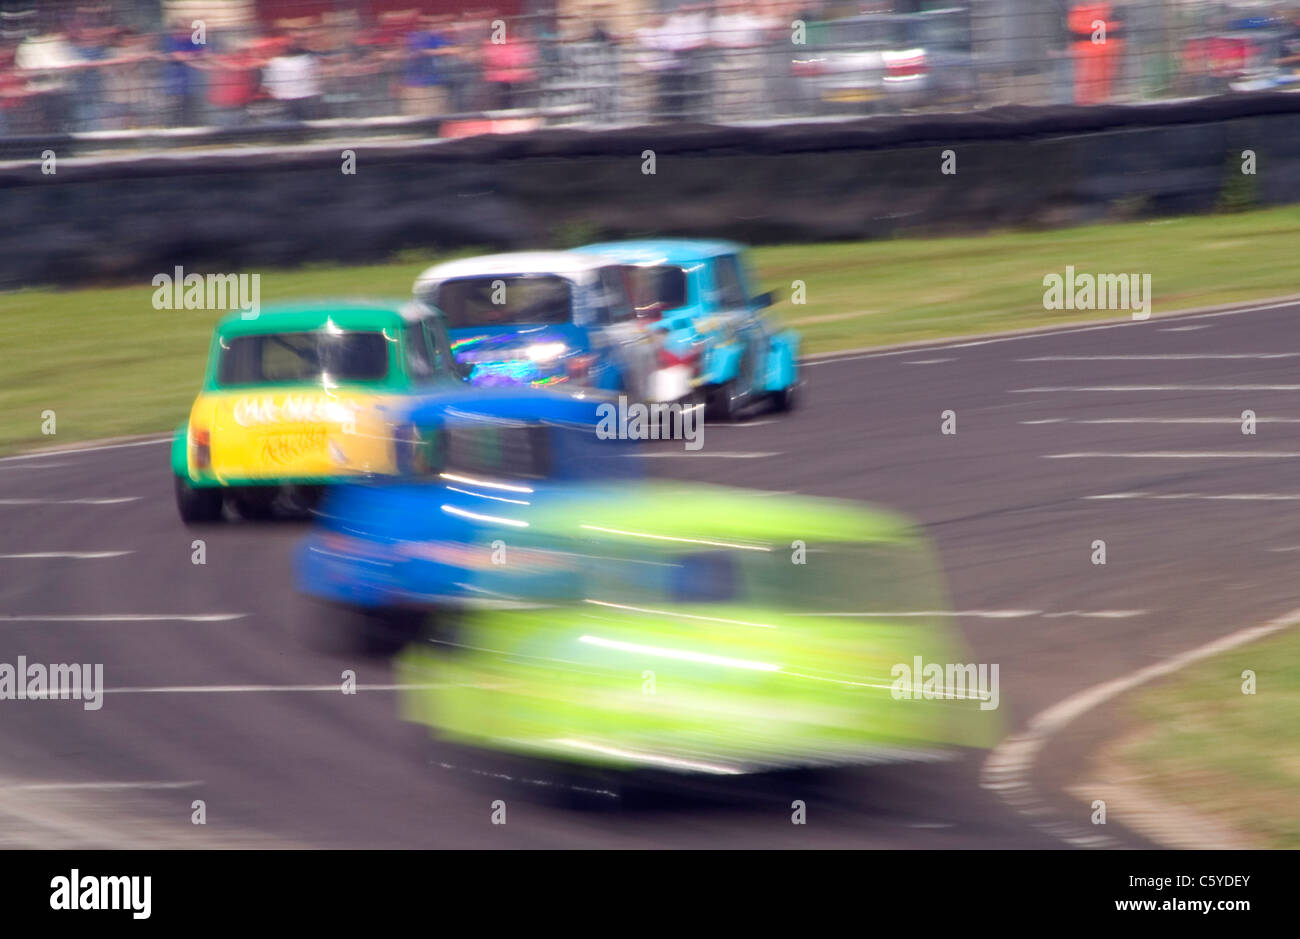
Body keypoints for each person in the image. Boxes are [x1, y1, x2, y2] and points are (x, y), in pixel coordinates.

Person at [262, 39, 321, 121]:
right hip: (304, 98)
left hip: (287, 99)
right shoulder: (308, 60)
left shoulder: (275, 63)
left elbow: (268, 85)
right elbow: (316, 79)